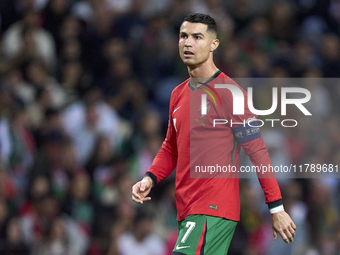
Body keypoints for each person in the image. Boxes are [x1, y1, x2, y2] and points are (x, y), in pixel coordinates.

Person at [132, 13, 296, 255]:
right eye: (183, 36)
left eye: (197, 37)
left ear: (213, 45)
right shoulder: (178, 94)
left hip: (213, 208)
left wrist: (276, 207)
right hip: (187, 209)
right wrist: (150, 178)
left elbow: (258, 152)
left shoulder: (230, 92)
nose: (188, 43)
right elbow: (170, 148)